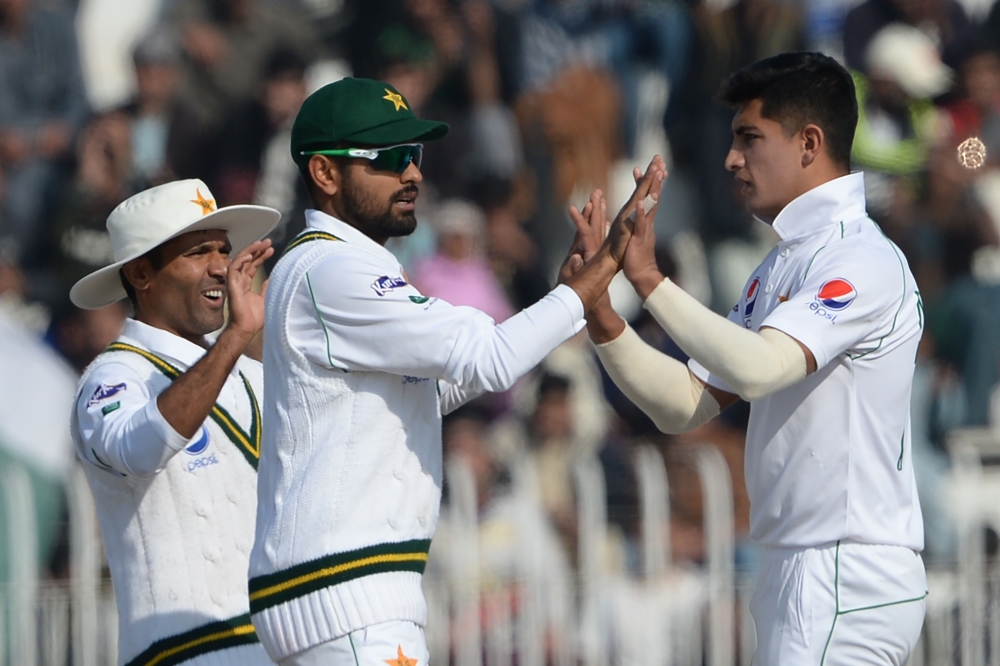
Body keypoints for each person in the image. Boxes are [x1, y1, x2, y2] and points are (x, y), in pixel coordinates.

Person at [247, 77, 663, 666]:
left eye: (414, 154)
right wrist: (604, 269)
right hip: (348, 595)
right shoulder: (333, 270)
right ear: (324, 172)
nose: (413, 173)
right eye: (390, 157)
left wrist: (563, 298)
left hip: (341, 592)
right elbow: (489, 357)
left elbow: (432, 388)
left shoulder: (330, 267)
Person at [579, 52, 926, 665]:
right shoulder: (782, 262)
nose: (730, 159)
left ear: (809, 143)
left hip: (845, 568)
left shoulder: (861, 258)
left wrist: (651, 280)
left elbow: (762, 368)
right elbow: (685, 405)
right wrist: (600, 310)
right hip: (800, 568)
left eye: (749, 138)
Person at [68, 179, 280, 665]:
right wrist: (236, 337)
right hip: (181, 652)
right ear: (141, 273)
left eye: (223, 249)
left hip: (273, 648)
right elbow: (138, 451)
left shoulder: (251, 373)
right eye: (198, 252)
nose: (221, 267)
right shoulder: (111, 377)